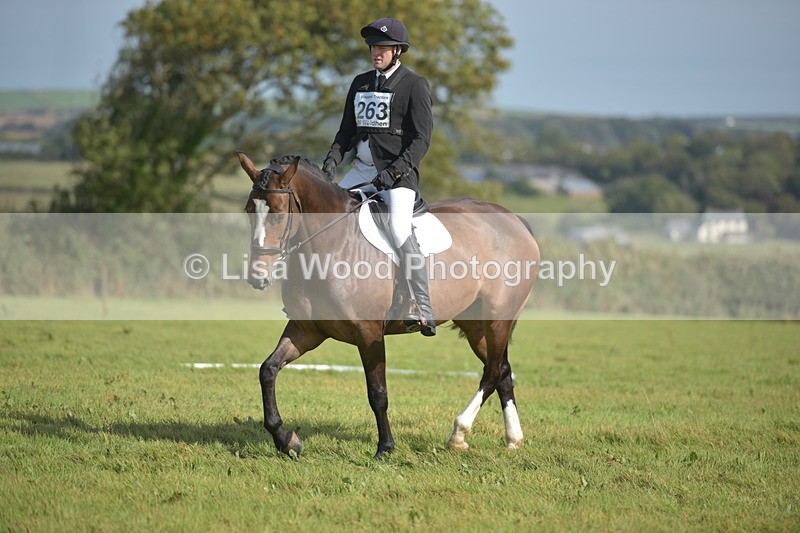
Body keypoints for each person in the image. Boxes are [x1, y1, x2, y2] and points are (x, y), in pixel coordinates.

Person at [322, 17, 435, 336]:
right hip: (359, 171)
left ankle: (420, 304)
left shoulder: (415, 84)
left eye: (383, 47)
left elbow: (421, 140)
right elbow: (346, 130)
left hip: (398, 177)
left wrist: (395, 172)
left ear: (398, 50)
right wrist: (332, 159)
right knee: (320, 216)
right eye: (374, 46)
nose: (377, 52)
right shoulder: (360, 83)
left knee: (399, 228)